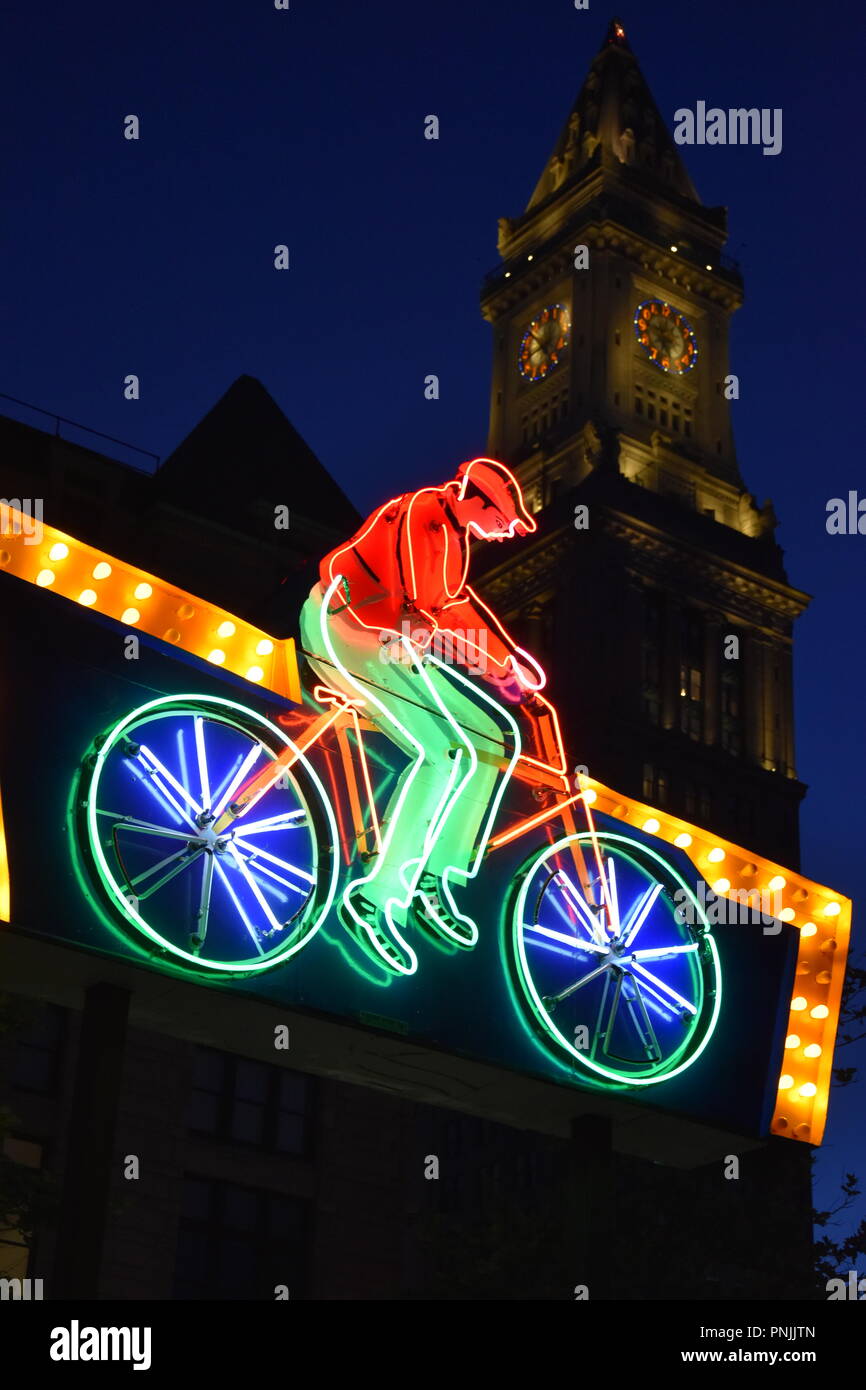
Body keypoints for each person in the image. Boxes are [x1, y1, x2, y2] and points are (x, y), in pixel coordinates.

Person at [299, 457, 554, 976]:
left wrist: (507, 665)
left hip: (388, 641)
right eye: (502, 520)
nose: (504, 533)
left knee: (492, 736)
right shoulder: (420, 513)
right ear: (475, 499)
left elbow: (456, 611)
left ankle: (436, 873)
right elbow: (418, 615)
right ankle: (378, 895)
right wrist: (493, 665)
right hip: (344, 626)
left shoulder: (456, 543)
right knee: (444, 754)